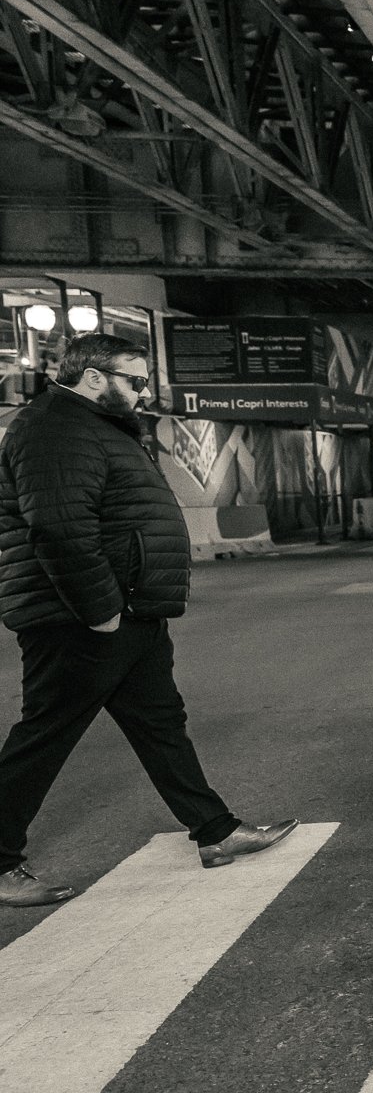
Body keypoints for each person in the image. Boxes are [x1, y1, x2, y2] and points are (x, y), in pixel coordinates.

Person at [0, 334, 296, 907]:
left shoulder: (93, 426)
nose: (143, 391)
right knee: (45, 735)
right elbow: (59, 528)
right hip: (79, 618)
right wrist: (102, 611)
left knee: (159, 722)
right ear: (92, 378)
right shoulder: (55, 429)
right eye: (134, 380)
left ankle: (215, 831)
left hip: (129, 609)